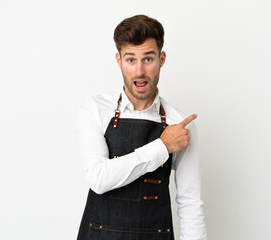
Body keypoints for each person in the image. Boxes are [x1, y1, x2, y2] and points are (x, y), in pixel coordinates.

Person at [77, 15, 206, 240]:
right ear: (119, 60)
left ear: (162, 58)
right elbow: (98, 179)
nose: (139, 72)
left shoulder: (180, 123)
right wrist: (162, 146)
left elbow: (190, 202)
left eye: (148, 59)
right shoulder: (97, 109)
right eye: (130, 60)